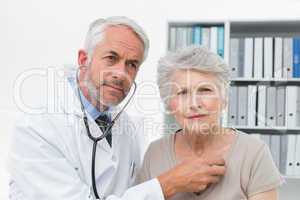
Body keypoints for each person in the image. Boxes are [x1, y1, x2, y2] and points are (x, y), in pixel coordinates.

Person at [7, 17, 226, 200]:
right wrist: (167, 185)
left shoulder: (125, 126)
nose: (121, 73)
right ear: (84, 60)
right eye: (111, 58)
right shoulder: (37, 126)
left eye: (132, 64)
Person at [136, 46, 283, 200]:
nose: (194, 104)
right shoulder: (155, 153)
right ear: (169, 104)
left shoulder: (254, 153)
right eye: (183, 92)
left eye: (205, 90)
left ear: (224, 99)